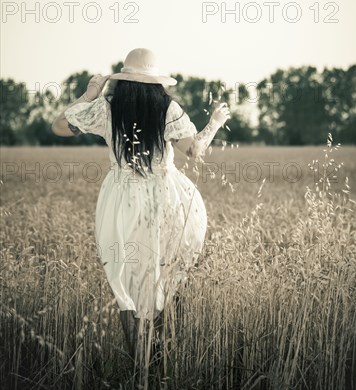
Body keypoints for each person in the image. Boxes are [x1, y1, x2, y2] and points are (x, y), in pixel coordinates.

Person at [51, 48, 230, 362]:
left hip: (121, 198)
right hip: (165, 197)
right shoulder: (167, 108)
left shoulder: (107, 107)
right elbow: (196, 151)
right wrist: (214, 122)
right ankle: (157, 358)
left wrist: (87, 95)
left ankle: (138, 362)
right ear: (156, 81)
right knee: (161, 275)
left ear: (123, 79)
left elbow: (59, 126)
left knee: (127, 281)